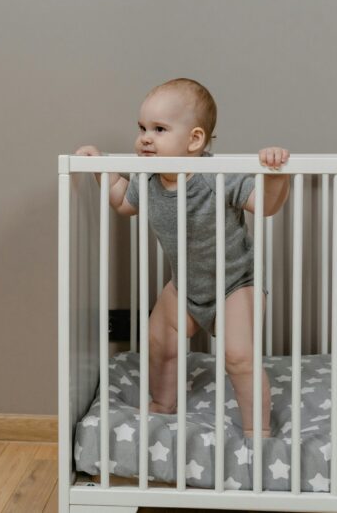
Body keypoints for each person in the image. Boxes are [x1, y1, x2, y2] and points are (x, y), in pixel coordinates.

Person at [75, 78, 290, 438]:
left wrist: (274, 175)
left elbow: (266, 205)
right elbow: (121, 200)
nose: (145, 137)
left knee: (238, 356)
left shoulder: (214, 177)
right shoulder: (148, 180)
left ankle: (258, 429)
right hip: (185, 285)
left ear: (194, 140)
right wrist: (100, 166)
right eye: (142, 128)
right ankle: (163, 403)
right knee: (159, 340)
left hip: (236, 284)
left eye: (159, 129)